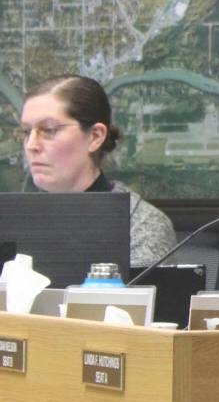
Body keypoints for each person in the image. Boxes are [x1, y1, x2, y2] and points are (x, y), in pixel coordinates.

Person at [21, 75, 177, 269]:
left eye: (49, 130)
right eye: (26, 132)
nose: (31, 145)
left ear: (95, 136)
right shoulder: (18, 223)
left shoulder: (140, 226)